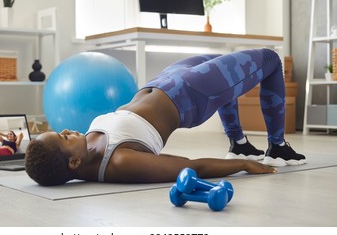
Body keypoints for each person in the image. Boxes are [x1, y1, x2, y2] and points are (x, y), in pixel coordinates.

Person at [25, 48, 306, 186]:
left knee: (227, 60)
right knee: (270, 59)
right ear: (73, 162)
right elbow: (190, 166)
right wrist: (243, 166)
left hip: (165, 80)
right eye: (62, 137)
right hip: (193, 93)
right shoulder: (120, 162)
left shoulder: (83, 150)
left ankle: (239, 142)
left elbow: (44, 158)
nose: (66, 130)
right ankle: (278, 145)